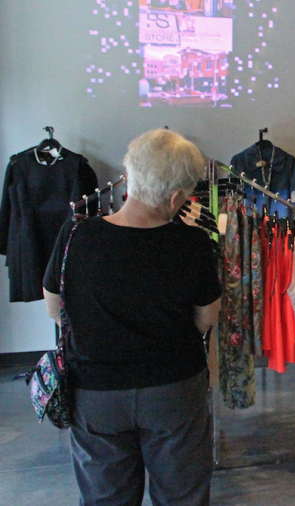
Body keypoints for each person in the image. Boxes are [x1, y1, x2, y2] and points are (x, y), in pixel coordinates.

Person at [42, 129, 222, 506]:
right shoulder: (192, 244)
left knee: (105, 498)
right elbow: (206, 318)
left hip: (94, 392)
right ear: (176, 197)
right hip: (173, 388)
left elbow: (56, 308)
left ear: (130, 175)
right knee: (182, 495)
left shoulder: (76, 235)